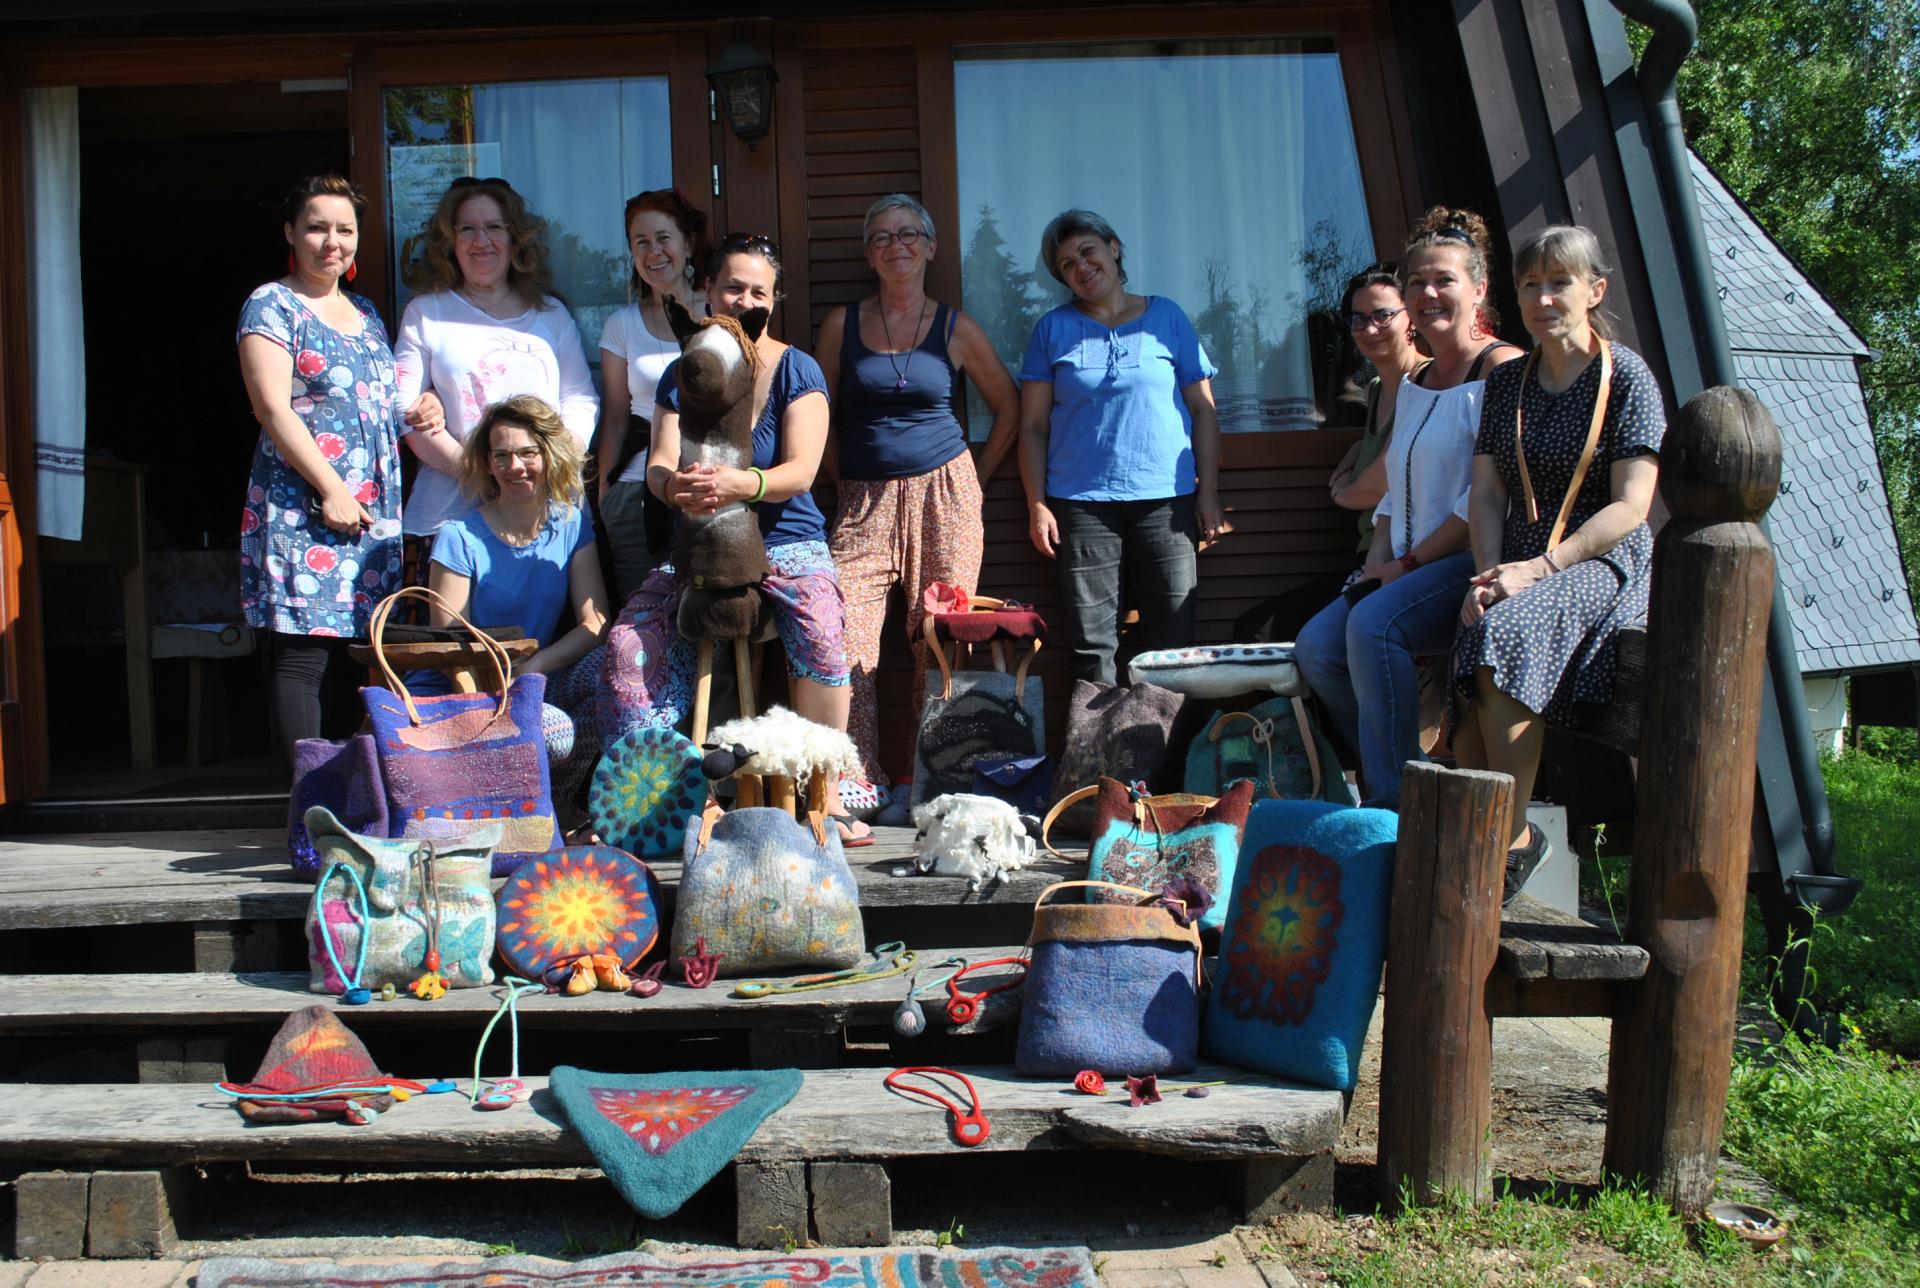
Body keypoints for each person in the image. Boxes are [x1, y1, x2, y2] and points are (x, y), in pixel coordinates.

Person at [601, 234, 869, 841]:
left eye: (758, 291)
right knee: (628, 643)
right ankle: (643, 795)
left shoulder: (797, 368)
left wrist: (740, 484)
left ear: (773, 301)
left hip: (786, 542)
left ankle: (824, 791)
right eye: (732, 287)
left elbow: (800, 471)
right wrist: (675, 488)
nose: (744, 300)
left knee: (822, 630)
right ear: (707, 291)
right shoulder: (684, 369)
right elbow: (659, 463)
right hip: (701, 543)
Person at [1452, 225, 1663, 900]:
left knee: (1503, 636)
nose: (1543, 299)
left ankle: (1504, 847)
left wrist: (1539, 570)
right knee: (1469, 657)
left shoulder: (1626, 376)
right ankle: (1491, 837)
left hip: (1600, 559)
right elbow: (1487, 493)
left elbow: (1632, 506)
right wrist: (1488, 574)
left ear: (1594, 290)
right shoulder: (1507, 381)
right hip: (1517, 561)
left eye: (1558, 283)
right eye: (1530, 284)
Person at [1293, 208, 1524, 809]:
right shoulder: (1417, 382)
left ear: (1479, 290)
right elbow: (1396, 488)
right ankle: (1403, 767)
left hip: (1472, 560)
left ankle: (1398, 805)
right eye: (1417, 281)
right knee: (1317, 648)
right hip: (1407, 562)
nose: (1428, 293)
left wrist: (1406, 565)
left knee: (1374, 626)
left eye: (1444, 280)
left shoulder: (1501, 368)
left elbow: (1483, 498)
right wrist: (1377, 563)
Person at [817, 193, 1021, 810]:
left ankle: (924, 777)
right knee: (845, 637)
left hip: (945, 493)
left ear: (930, 246)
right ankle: (858, 777)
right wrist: (842, 480)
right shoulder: (841, 325)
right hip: (862, 499)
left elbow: (1008, 406)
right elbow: (816, 414)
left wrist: (973, 482)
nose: (896, 245)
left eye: (908, 234)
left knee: (939, 637)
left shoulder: (956, 328)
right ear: (867, 254)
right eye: (881, 236)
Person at [1017, 209, 1229, 685]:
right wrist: (1037, 505)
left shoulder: (1167, 317)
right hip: (1081, 504)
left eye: (1087, 251)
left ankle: (1164, 737)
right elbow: (1032, 426)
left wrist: (1209, 493)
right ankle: (1097, 737)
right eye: (1067, 264)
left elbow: (1203, 410)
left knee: (1172, 642)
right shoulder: (1051, 329)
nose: (1081, 266)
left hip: (1168, 502)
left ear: (1113, 248)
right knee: (1091, 647)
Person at [238, 174, 403, 770]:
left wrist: (422, 409)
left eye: (345, 230)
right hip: (304, 505)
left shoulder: (366, 312)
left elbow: (378, 407)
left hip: (370, 513)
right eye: (316, 228)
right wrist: (332, 488)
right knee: (304, 657)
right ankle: (308, 801)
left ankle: (349, 799)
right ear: (290, 232)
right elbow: (272, 407)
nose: (332, 242)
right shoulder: (272, 304)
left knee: (354, 657)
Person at [391, 177, 597, 584]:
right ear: (450, 241)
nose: (481, 240)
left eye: (494, 227)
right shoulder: (426, 313)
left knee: (550, 623)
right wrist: (479, 474)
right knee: (456, 627)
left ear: (515, 238)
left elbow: (581, 400)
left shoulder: (551, 315)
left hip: (547, 512)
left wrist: (552, 467)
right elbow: (402, 408)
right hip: (453, 517)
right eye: (467, 228)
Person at [426, 394, 611, 802]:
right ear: (488, 463)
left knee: (612, 671)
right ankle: (525, 806)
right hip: (467, 689)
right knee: (554, 732)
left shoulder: (572, 522)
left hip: (533, 679)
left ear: (549, 454)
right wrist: (498, 696)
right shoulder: (459, 537)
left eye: (528, 453)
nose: (515, 466)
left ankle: (555, 809)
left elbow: (596, 624)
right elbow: (451, 650)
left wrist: (535, 666)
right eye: (502, 455)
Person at [1234, 264, 1426, 644]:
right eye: (1358, 319)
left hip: (1406, 564)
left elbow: (1383, 483)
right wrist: (1355, 451)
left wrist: (1341, 493)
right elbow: (1377, 446)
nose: (1370, 328)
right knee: (1257, 630)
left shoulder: (1425, 382)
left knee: (1281, 638)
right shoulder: (1375, 389)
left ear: (1411, 319)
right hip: (1368, 558)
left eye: (1383, 315)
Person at [597, 188, 713, 603]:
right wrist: (605, 495)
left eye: (664, 238)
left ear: (689, 244)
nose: (653, 252)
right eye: (641, 242)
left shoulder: (719, 313)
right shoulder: (621, 324)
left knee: (707, 615)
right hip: (636, 493)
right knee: (643, 616)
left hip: (709, 483)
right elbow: (615, 417)